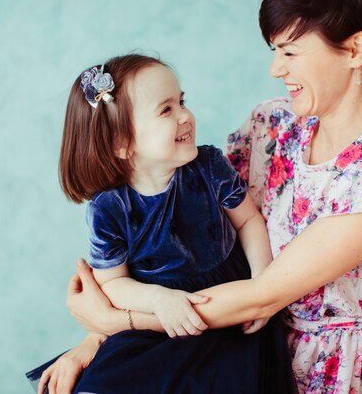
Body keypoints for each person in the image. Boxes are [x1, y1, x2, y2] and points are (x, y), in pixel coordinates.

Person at [51, 0, 362, 393]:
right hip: (223, 339)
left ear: (355, 50)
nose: (276, 69)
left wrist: (114, 320)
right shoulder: (274, 125)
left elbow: (264, 294)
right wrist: (97, 340)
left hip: (335, 367)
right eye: (274, 51)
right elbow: (183, 239)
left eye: (289, 51)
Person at [28, 54, 296, 394]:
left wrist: (262, 283)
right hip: (158, 315)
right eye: (166, 110)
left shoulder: (209, 166)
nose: (185, 115)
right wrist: (158, 300)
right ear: (121, 143)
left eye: (182, 101)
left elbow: (248, 222)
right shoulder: (110, 208)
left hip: (229, 302)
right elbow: (112, 284)